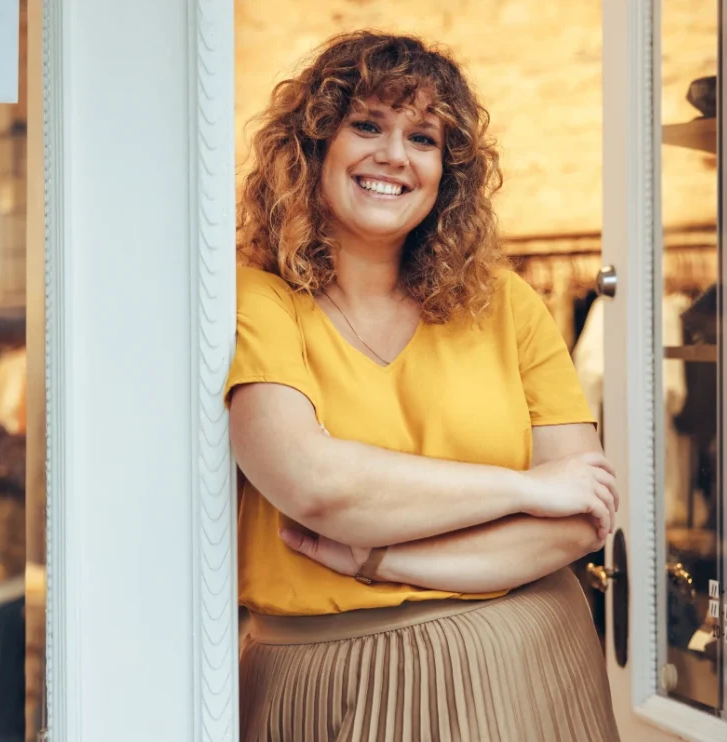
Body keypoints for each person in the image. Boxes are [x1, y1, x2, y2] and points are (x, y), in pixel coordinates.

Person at [226, 30, 622, 742]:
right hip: (324, 682)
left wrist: (379, 557)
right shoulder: (257, 298)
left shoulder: (506, 302)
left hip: (526, 666)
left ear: (448, 174)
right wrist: (526, 489)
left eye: (423, 138)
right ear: (313, 147)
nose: (394, 155)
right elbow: (315, 486)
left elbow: (577, 521)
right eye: (366, 125)